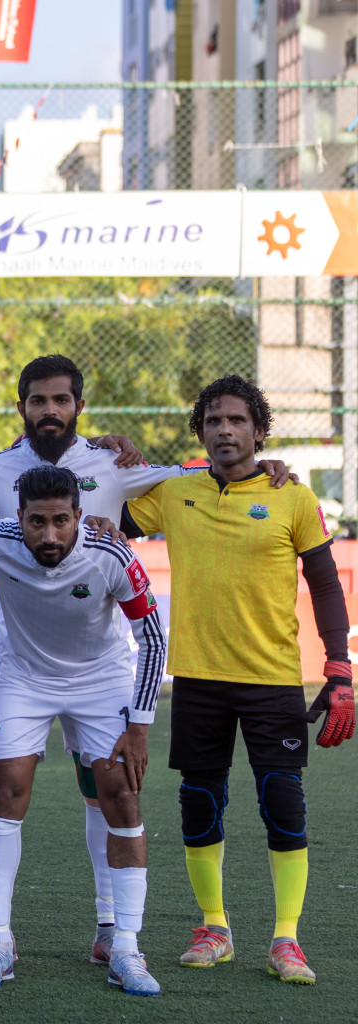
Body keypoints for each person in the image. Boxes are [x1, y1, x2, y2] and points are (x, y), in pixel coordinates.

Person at [0, 354, 186, 966]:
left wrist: (259, 467)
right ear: (21, 406)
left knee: (106, 787)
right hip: (18, 655)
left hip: (99, 662)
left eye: (61, 401)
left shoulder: (111, 464)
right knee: (5, 787)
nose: (49, 411)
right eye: (37, 401)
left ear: (80, 405)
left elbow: (191, 478)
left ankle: (113, 930)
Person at [120, 375, 353, 985]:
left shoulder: (293, 498)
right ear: (200, 431)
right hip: (197, 678)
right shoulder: (175, 492)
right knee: (200, 803)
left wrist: (339, 665)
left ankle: (286, 940)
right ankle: (214, 926)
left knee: (283, 803)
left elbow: (326, 584)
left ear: (258, 430)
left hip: (273, 679)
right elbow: (101, 510)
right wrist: (99, 448)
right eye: (214, 421)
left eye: (237, 420)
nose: (225, 429)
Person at [0, 465, 167, 996]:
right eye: (36, 522)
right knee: (5, 792)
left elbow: (152, 635)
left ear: (80, 516)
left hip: (100, 680)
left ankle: (125, 946)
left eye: (61, 521)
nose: (49, 535)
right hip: (24, 678)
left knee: (120, 795)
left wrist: (140, 725)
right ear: (19, 518)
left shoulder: (112, 552)